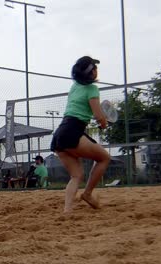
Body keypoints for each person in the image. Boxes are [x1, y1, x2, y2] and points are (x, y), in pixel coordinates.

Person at [50, 56, 111, 213]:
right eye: (95, 68)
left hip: (60, 134)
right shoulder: (92, 89)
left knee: (76, 176)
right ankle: (88, 194)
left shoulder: (75, 86)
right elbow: (99, 116)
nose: (97, 70)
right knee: (104, 158)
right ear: (91, 72)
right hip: (73, 131)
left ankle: (67, 211)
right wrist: (104, 123)